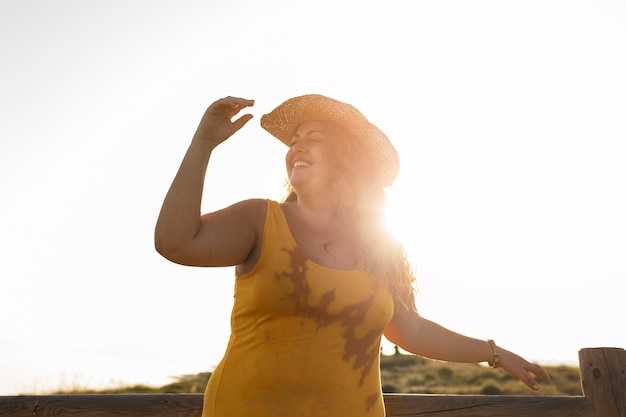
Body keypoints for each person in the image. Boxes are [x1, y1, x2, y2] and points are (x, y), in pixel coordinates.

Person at [154, 94, 550, 417]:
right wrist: (202, 144)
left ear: (346, 158)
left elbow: (410, 330)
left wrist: (495, 354)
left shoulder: (379, 245)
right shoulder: (261, 219)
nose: (297, 147)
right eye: (293, 141)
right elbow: (175, 242)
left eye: (313, 138)